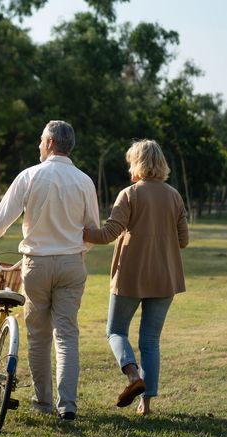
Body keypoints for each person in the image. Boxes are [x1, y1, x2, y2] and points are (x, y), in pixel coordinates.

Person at [0, 120, 99, 421]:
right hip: (72, 264)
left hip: (36, 265)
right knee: (67, 334)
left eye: (40, 140)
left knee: (38, 336)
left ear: (49, 143)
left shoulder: (31, 176)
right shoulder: (85, 181)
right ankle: (68, 406)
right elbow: (92, 231)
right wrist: (75, 251)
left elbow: (2, 218)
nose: (38, 145)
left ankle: (43, 401)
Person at [84, 139, 189, 415]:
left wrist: (80, 231)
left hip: (130, 276)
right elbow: (183, 240)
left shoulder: (129, 194)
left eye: (131, 161)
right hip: (165, 277)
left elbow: (108, 234)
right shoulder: (175, 196)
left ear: (138, 164)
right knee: (150, 340)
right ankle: (146, 405)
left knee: (115, 330)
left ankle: (133, 377)